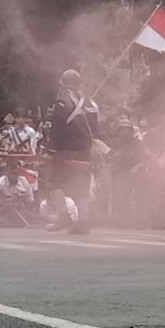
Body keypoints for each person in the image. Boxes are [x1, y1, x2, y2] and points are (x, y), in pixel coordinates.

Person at [46, 70, 97, 235]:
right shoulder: (91, 105)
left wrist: (51, 150)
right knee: (82, 188)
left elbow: (57, 129)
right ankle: (83, 221)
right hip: (85, 152)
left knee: (54, 183)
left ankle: (63, 215)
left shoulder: (62, 103)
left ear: (64, 84)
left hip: (65, 151)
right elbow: (95, 132)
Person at [0, 162, 36, 226]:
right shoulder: (0, 182)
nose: (12, 176)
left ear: (19, 173)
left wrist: (20, 199)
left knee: (32, 216)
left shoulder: (25, 182)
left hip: (21, 211)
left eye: (14, 173)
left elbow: (31, 201)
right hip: (3, 210)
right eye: (10, 173)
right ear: (6, 173)